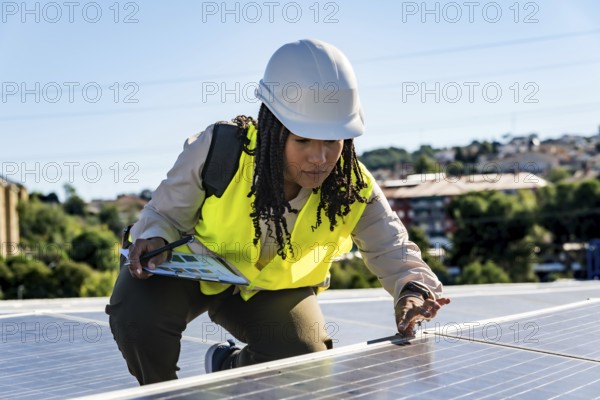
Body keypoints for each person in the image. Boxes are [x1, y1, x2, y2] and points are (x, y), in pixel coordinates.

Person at [106, 38, 450, 385]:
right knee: (136, 316)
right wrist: (152, 237)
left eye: (332, 140)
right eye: (303, 139)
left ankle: (230, 367)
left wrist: (413, 289)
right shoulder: (220, 150)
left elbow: (393, 248)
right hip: (197, 272)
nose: (320, 157)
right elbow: (164, 215)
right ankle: (163, 393)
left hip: (271, 291)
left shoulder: (353, 187)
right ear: (274, 129)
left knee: (305, 363)